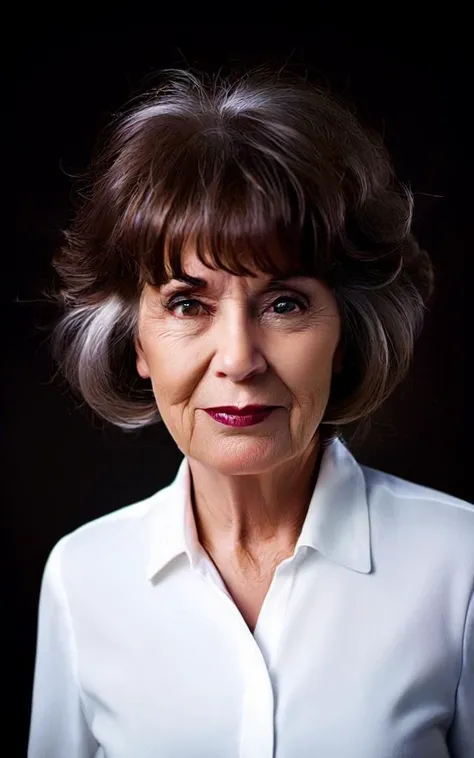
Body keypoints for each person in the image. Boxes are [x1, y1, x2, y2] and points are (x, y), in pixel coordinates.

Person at [27, 67, 473, 758]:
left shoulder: (460, 564)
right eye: (187, 304)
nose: (239, 358)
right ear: (135, 340)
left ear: (345, 332)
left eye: (284, 304)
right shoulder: (82, 577)